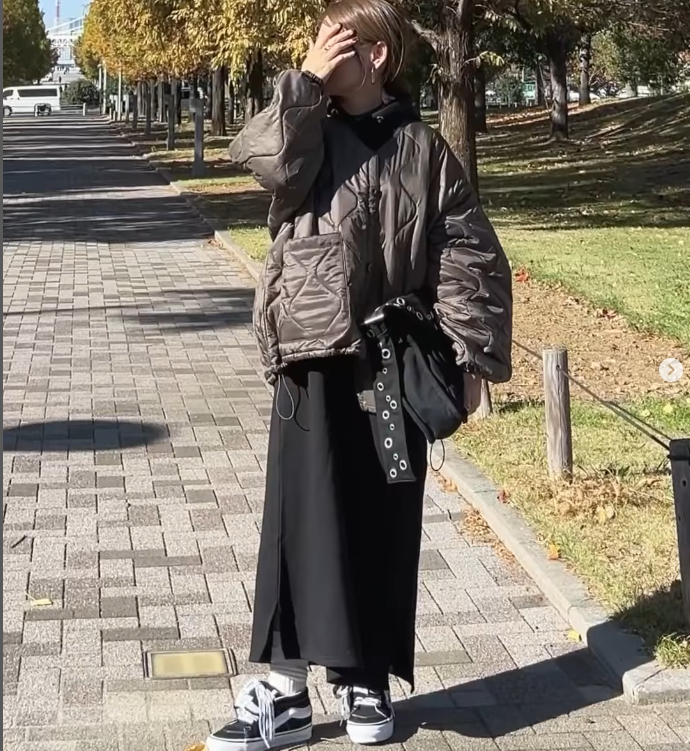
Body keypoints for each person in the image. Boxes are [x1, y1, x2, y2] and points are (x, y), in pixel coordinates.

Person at [206, 0, 512, 749]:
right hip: (311, 351)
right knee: (300, 518)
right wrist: (305, 82)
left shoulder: (423, 148)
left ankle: (367, 681)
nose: (316, 51)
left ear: (376, 55)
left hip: (393, 356)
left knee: (384, 514)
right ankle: (285, 691)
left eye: (333, 41)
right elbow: (266, 162)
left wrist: (471, 352)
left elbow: (466, 249)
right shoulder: (307, 125)